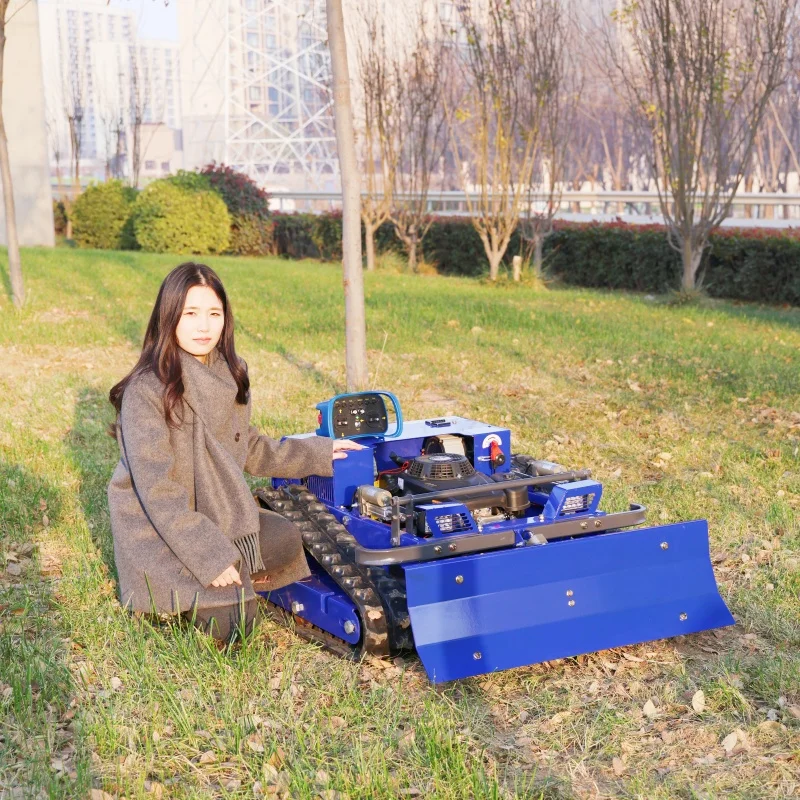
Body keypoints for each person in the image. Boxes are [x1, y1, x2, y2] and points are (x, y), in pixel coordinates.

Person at [107, 262, 362, 642]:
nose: (203, 326)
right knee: (234, 630)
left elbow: (251, 447)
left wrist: (319, 452)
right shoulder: (147, 390)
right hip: (159, 530)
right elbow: (158, 494)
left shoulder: (230, 373)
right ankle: (199, 588)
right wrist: (210, 555)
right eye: (190, 313)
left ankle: (226, 578)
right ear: (169, 317)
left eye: (214, 314)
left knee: (286, 539)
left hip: (215, 512)